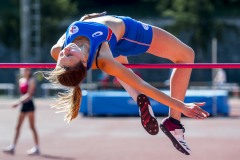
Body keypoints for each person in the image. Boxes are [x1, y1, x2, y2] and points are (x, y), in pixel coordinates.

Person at [46, 12, 209, 155]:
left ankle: (137, 96)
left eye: (63, 57)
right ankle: (173, 122)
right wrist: (181, 106)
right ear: (82, 62)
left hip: (111, 34)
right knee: (186, 55)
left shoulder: (57, 49)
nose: (65, 51)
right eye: (69, 56)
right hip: (129, 35)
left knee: (119, 64)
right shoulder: (103, 57)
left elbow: (71, 42)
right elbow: (143, 84)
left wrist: (85, 19)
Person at [2, 68, 40, 155]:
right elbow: (22, 93)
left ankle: (37, 147)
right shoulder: (21, 80)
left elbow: (29, 94)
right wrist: (20, 102)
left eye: (26, 70)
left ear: (29, 71)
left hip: (29, 104)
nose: (24, 71)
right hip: (23, 104)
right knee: (18, 126)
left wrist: (18, 102)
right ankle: (13, 146)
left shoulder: (31, 80)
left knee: (32, 127)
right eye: (23, 70)